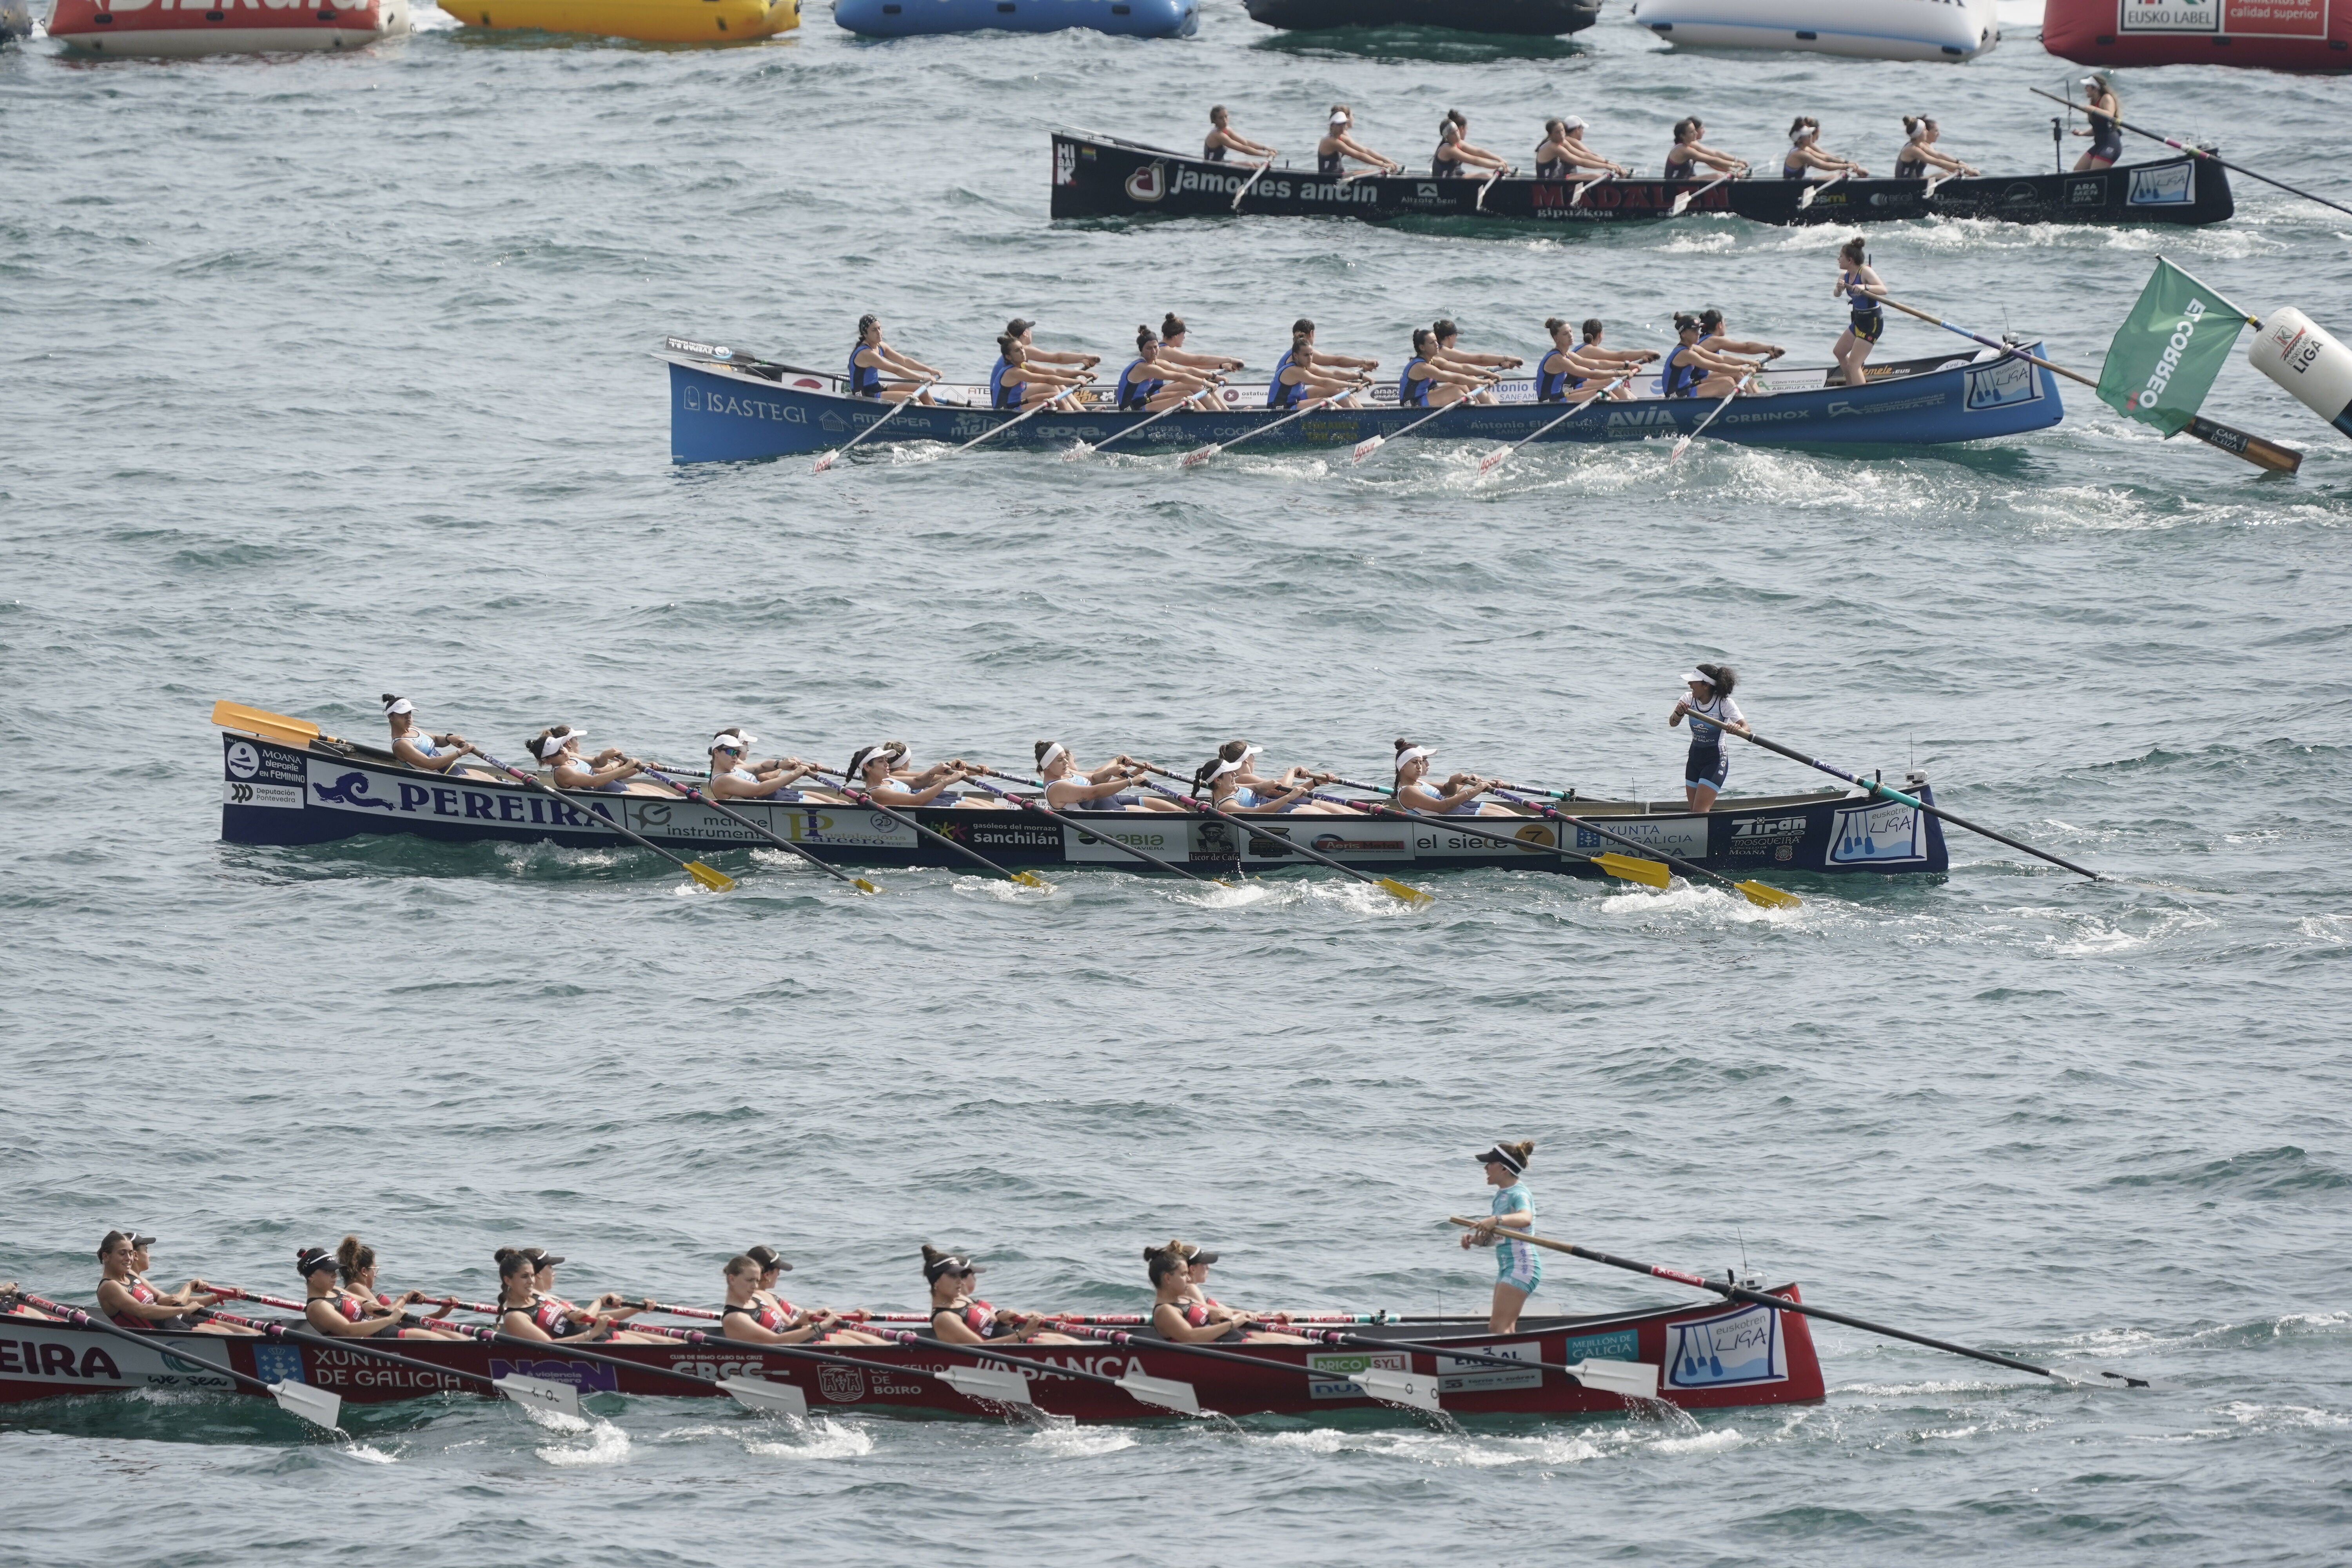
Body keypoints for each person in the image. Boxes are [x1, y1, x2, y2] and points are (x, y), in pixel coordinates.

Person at [299, 1241, 461, 1341]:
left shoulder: (335, 1290)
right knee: (448, 1344)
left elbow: (362, 1300)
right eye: (328, 1272)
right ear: (311, 1277)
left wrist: (367, 1304)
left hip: (384, 1330)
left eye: (334, 1271)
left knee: (458, 1342)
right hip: (376, 1340)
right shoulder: (318, 1306)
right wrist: (390, 1319)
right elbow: (348, 1330)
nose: (334, 1276)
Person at [95, 1231, 248, 1335]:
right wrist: (185, 1309)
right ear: (106, 1257)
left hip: (176, 1321)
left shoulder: (132, 1277)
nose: (129, 1258)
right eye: (123, 1253)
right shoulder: (110, 1286)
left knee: (245, 1332)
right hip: (163, 1334)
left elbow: (168, 1300)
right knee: (230, 1336)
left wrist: (218, 1297)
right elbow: (142, 1310)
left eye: (130, 1253)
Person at [716, 1254, 886, 1346]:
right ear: (732, 1279)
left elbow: (786, 1330)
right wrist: (823, 1325)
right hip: (792, 1351)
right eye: (749, 1281)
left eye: (757, 1280)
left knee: (880, 1347)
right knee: (862, 1348)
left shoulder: (758, 1297)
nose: (755, 1286)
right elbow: (776, 1341)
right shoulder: (735, 1318)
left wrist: (802, 1322)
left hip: (802, 1339)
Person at [1144, 1245, 1301, 1343]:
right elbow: (1190, 1337)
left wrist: (1267, 1316)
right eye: (1184, 1274)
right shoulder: (1165, 1311)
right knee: (1297, 1346)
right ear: (1168, 1278)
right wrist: (1233, 1323)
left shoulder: (1185, 1299)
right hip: (1228, 1348)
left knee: (1302, 1343)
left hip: (1236, 1338)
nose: (1188, 1279)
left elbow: (1227, 1312)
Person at [1459, 1140, 1539, 1333]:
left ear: (1504, 1169)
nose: (1485, 1168)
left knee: (1497, 1327)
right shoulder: (1500, 1196)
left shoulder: (1519, 1193)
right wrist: (1477, 1240)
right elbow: (1500, 1238)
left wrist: (1496, 1219)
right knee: (1503, 1328)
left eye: (1490, 1164)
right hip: (1507, 1266)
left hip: (1522, 1265)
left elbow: (1525, 1218)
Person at [921, 1246, 1076, 1344]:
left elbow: (993, 1321)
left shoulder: (962, 1299)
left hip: (1018, 1339)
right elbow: (981, 1347)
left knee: (1072, 1343)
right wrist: (1024, 1334)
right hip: (1011, 1352)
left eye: (961, 1277)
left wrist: (1005, 1317)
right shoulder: (944, 1318)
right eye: (953, 1276)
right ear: (936, 1282)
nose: (961, 1282)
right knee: (1069, 1346)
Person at [521, 1246, 667, 1343]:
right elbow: (584, 1320)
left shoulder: (553, 1299)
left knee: (673, 1343)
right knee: (666, 1348)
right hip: (595, 1341)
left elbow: (594, 1319)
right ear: (539, 1274)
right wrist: (599, 1301)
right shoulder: (538, 1300)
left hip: (603, 1331)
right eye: (551, 1267)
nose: (554, 1272)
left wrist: (636, 1309)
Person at [492, 1247, 618, 1344]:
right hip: (588, 1346)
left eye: (532, 1275)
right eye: (525, 1277)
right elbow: (551, 1346)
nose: (532, 1281)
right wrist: (593, 1333)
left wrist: (573, 1315)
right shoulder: (515, 1317)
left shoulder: (536, 1296)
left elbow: (570, 1314)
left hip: (596, 1337)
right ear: (508, 1281)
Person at [1669, 662, 1748, 812]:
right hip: (1694, 758)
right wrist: (1678, 713)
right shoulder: (1688, 698)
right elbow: (1673, 723)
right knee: (1694, 811)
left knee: (1699, 812)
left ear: (1706, 685)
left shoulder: (1724, 704)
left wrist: (1737, 727)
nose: (1689, 684)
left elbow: (1746, 728)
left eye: (1694, 681)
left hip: (1715, 760)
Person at [1036, 740, 1185, 814]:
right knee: (1168, 818)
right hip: (1109, 813)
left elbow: (1094, 779)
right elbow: (1093, 792)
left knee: (1180, 813)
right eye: (1060, 760)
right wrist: (1130, 782)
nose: (1066, 762)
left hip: (1116, 800)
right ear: (1048, 765)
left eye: (1065, 758)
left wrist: (1126, 772)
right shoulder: (1056, 788)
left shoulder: (1067, 773)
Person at [1193, 740, 1338, 815]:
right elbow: (1259, 812)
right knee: (1335, 820)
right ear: (1218, 780)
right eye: (1230, 773)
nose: (1234, 774)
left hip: (1286, 805)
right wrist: (1292, 771)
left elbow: (1258, 788)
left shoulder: (1234, 787)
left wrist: (1314, 782)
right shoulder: (1226, 804)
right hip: (1279, 811)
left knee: (1340, 816)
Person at [1269, 319, 1377, 412]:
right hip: (1282, 408)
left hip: (1294, 398)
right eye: (1307, 355)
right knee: (1328, 401)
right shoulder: (1294, 368)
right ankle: (1355, 421)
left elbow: (1332, 374)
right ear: (1311, 334)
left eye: (1311, 355)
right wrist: (1352, 385)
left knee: (1339, 389)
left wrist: (1360, 377)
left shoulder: (1304, 360)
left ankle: (1362, 414)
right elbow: (1325, 381)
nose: (1311, 358)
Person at [1540, 318, 1656, 401]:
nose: (1570, 335)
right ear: (1557, 339)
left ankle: (1630, 406)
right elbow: (1592, 374)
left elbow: (1598, 364)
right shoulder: (1557, 358)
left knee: (1604, 389)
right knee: (1600, 392)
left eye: (1571, 331)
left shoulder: (1568, 354)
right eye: (1565, 334)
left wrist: (1628, 366)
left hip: (1562, 394)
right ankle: (1627, 411)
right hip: (1553, 401)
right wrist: (1621, 372)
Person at [1116, 326, 1222, 414]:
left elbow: (1185, 371)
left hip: (1144, 400)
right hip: (1131, 409)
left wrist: (1214, 377)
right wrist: (1207, 383)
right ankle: (1211, 423)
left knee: (1188, 394)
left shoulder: (1154, 362)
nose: (1154, 351)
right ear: (1141, 351)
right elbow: (1180, 377)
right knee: (1181, 400)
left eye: (1156, 347)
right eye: (1149, 348)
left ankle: (1219, 417)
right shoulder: (1143, 368)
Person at [1661, 314, 1765, 401]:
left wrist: (1748, 362)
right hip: (1677, 395)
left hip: (1689, 385)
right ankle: (1753, 407)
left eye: (1699, 330)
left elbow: (1722, 359)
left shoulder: (1693, 348)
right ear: (1683, 334)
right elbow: (1718, 367)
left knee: (1733, 375)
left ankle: (1757, 400)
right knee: (1727, 384)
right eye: (1694, 331)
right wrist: (1743, 368)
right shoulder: (1685, 354)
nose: (1698, 334)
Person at [844, 742, 979, 808]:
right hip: (933, 810)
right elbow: (917, 801)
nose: (887, 764)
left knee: (999, 808)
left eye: (886, 760)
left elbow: (918, 781)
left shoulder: (889, 779)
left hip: (938, 802)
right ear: (867, 767)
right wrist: (947, 781)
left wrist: (934, 771)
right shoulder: (877, 792)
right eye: (881, 761)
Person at [1830, 236, 1887, 390]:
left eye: (1841, 256)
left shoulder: (1865, 271)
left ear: (1850, 260)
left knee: (1855, 363)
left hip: (1872, 323)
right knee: (1839, 352)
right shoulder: (1844, 276)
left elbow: (1883, 290)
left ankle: (1862, 397)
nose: (1838, 259)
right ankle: (1850, 387)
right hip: (1858, 321)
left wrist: (1865, 288)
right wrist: (1840, 289)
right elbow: (1836, 294)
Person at [1392, 740, 1504, 817]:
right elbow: (1442, 807)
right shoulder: (1408, 790)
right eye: (1415, 762)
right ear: (1402, 766)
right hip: (1451, 817)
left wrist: (1475, 784)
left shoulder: (1419, 782)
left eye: (1421, 762)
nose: (1420, 766)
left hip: (1458, 809)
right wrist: (1475, 790)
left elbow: (1447, 791)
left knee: (1511, 815)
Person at [848, 314, 939, 406]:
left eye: (879, 328)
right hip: (864, 395)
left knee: (921, 390)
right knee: (912, 398)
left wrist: (930, 370)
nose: (879, 332)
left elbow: (904, 361)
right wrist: (923, 378)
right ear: (865, 334)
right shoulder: (866, 353)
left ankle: (939, 416)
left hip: (877, 388)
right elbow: (896, 370)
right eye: (874, 330)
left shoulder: (880, 346)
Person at [706, 729, 819, 802]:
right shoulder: (722, 780)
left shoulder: (734, 769)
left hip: (779, 797)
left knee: (837, 803)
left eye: (738, 752)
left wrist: (780, 764)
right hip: (774, 804)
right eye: (731, 752)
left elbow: (761, 766)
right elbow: (760, 790)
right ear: (716, 752)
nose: (735, 756)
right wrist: (795, 773)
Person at [1398, 327, 1497, 410]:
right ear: (1422, 348)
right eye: (1432, 343)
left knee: (1469, 382)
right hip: (1411, 405)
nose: (1437, 345)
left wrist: (1488, 374)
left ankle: (1494, 409)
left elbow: (1462, 368)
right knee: (1455, 391)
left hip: (1424, 397)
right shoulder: (1422, 367)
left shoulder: (1433, 361)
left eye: (1436, 341)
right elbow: (1455, 379)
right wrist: (1483, 381)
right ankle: (1482, 418)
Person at [988, 335, 1092, 412]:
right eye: (1017, 350)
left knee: (1055, 394)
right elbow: (1048, 379)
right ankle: (1077, 424)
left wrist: (1082, 373)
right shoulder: (1014, 372)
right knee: (1058, 400)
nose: (1022, 352)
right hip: (1006, 411)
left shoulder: (1023, 365)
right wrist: (1076, 381)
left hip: (1017, 402)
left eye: (1022, 348)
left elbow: (1055, 372)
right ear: (1009, 357)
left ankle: (1081, 415)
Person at [1428, 319, 1521, 404]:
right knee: (1471, 381)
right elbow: (1478, 359)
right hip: (1429, 394)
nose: (1456, 339)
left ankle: (1495, 407)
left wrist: (1500, 363)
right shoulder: (1443, 351)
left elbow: (1468, 366)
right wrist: (1507, 359)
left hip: (1433, 389)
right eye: (1456, 335)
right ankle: (1494, 412)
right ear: (1451, 336)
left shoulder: (1441, 351)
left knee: (1471, 379)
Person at [531, 726, 642, 792]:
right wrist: (625, 766)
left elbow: (597, 763)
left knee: (657, 793)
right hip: (604, 793)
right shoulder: (562, 771)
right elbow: (595, 781)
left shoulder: (571, 757)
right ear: (548, 761)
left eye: (561, 747)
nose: (564, 751)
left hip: (611, 786)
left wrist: (604, 755)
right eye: (558, 751)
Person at [383, 695, 474, 774]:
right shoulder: (400, 744)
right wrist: (460, 753)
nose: (408, 716)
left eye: (410, 712)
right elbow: (430, 764)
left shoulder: (413, 729)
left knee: (489, 779)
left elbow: (436, 740)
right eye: (403, 713)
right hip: (444, 778)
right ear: (391, 717)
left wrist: (448, 739)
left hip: (455, 769)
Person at [1534, 116, 1628, 181]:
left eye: (1562, 130)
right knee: (1595, 176)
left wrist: (1613, 165)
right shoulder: (1553, 147)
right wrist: (1609, 167)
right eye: (1557, 132)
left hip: (1559, 178)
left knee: (1598, 176)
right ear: (1550, 135)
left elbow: (1584, 155)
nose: (1562, 135)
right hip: (1549, 183)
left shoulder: (1562, 141)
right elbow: (1581, 162)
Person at [1317, 105, 1399, 177]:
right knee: (1380, 173)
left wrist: (1388, 161)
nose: (1342, 127)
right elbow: (1359, 155)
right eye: (1339, 124)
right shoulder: (1331, 141)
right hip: (1331, 179)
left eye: (1344, 123)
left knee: (1379, 172)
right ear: (1332, 126)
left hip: (1339, 175)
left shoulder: (1341, 137)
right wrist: (1384, 165)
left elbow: (1364, 150)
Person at [1157, 314, 1245, 377]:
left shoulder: (1163, 348)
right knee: (1196, 383)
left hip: (1156, 389)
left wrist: (1222, 365)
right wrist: (1231, 360)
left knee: (1198, 379)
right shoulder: (1165, 350)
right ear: (1176, 336)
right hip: (1153, 392)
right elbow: (1199, 360)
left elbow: (1195, 365)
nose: (1184, 338)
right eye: (1183, 334)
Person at [1893, 115, 1977, 181]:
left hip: (1916, 182)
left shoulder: (1920, 145)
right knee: (1945, 175)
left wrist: (1962, 164)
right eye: (1925, 130)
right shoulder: (1912, 150)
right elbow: (1937, 162)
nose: (1927, 132)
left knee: (1947, 174)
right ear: (1919, 134)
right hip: (1905, 186)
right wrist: (1960, 167)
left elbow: (1938, 155)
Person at [1783, 116, 1867, 180]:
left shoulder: (1805, 149)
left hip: (1799, 183)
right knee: (1836, 176)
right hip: (1793, 187)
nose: (1812, 136)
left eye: (1811, 134)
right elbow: (1825, 166)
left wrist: (1851, 164)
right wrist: (1847, 166)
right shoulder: (1800, 155)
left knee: (1838, 175)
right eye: (1808, 136)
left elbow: (1826, 158)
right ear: (1800, 140)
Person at [1663, 117, 1745, 180]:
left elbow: (1713, 158)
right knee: (1717, 177)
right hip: (1676, 184)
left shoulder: (1690, 145)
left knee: (1719, 176)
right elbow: (1711, 160)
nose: (1696, 133)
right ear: (1683, 136)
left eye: (1695, 130)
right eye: (1692, 132)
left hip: (1687, 180)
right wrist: (1736, 164)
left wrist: (1732, 170)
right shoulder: (1683, 150)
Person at [1695, 309, 1786, 364]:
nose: (1726, 326)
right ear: (1719, 325)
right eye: (1725, 323)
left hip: (1698, 379)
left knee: (1739, 372)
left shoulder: (1704, 339)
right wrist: (1772, 348)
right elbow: (1746, 347)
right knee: (1739, 373)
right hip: (1696, 382)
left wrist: (1768, 350)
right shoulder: (1714, 341)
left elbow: (1745, 348)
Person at [1433, 114, 1508, 179]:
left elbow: (1478, 152)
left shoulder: (1458, 143)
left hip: (1456, 177)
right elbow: (1475, 161)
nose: (1457, 135)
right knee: (1486, 176)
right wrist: (1497, 165)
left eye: (1457, 131)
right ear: (1447, 137)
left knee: (1492, 176)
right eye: (1453, 133)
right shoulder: (1448, 149)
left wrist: (1499, 159)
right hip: (1446, 184)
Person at [2073, 74, 2122, 171]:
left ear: (2095, 88)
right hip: (2099, 144)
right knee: (2078, 170)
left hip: (2111, 144)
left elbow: (2110, 115)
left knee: (2095, 172)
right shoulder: (2093, 103)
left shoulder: (2106, 98)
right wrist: (2082, 134)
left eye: (2088, 86)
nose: (2085, 89)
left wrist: (2093, 109)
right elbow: (2098, 129)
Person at [1204, 104, 1274, 163]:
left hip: (1221, 163)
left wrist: (1266, 148)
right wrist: (1266, 155)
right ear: (1214, 120)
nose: (1225, 121)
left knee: (1256, 165)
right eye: (1221, 118)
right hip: (1212, 167)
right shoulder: (1218, 135)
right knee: (1250, 165)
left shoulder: (1228, 130)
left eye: (1226, 117)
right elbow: (1243, 149)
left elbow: (1245, 143)